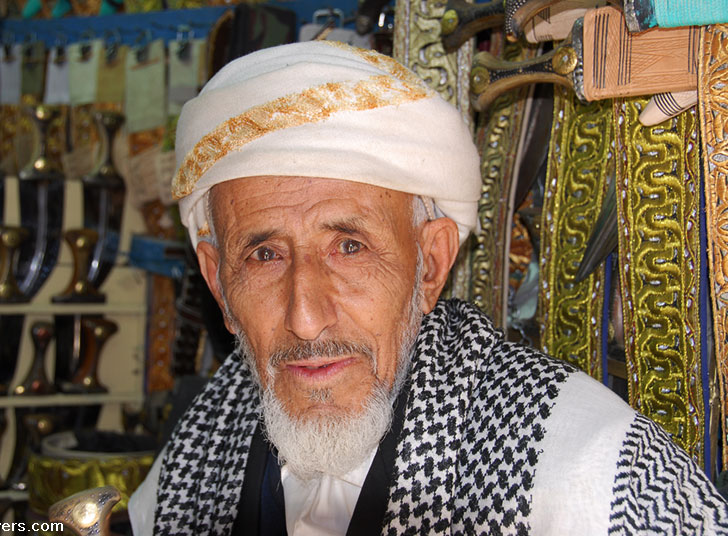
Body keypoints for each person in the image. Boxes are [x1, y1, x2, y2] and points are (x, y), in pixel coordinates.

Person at [128, 41, 728, 535]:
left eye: (349, 247)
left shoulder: (586, 471)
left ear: (431, 264)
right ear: (218, 281)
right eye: (264, 255)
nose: (305, 319)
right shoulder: (200, 447)